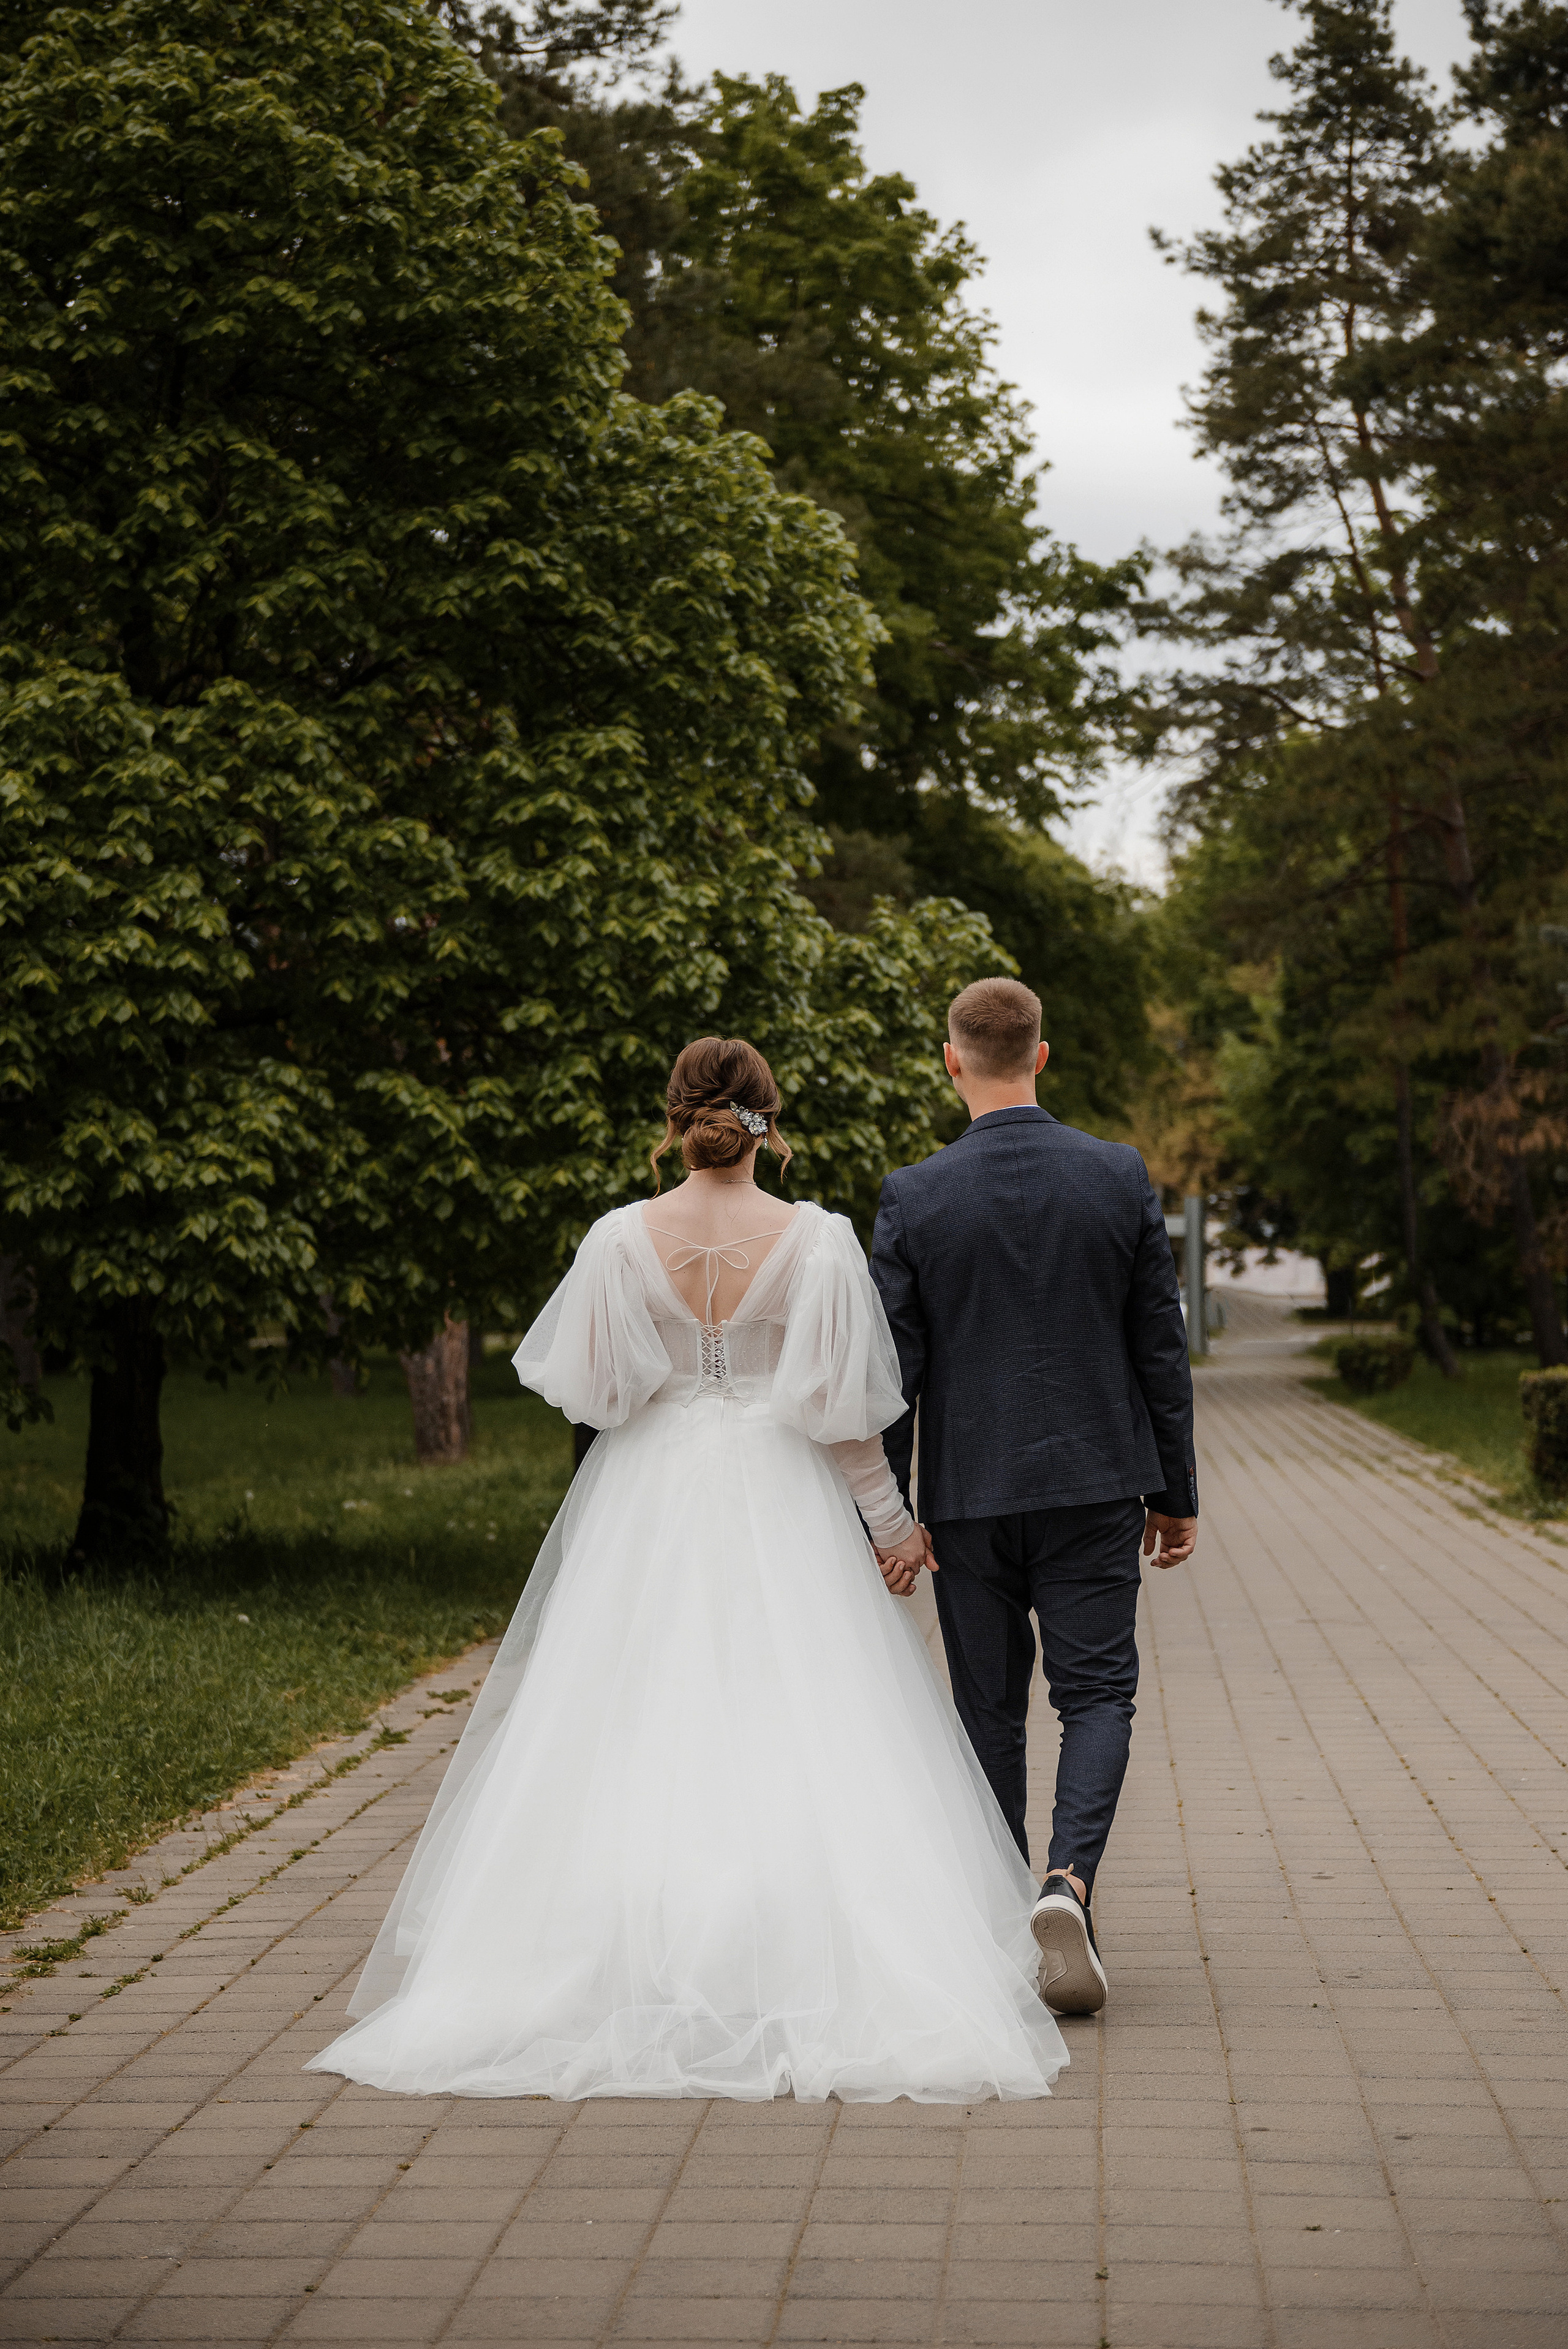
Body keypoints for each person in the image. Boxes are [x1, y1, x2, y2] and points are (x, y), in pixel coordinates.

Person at [306, 1037, 1068, 2102]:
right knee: (797, 1711)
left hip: (650, 1495)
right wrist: (893, 1525)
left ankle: (622, 1943)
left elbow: (604, 1395)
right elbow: (843, 1415)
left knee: (634, 1712)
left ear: (675, 1119)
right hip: (781, 1491)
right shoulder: (819, 1239)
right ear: (768, 1115)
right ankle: (793, 1942)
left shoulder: (621, 1239)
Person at [870, 977, 1197, 2018]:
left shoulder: (915, 1195)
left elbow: (893, 1374)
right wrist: (1175, 1490)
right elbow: (1159, 1342)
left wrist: (890, 1515)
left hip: (966, 1494)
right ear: (1041, 1056)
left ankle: (1005, 1909)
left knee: (988, 1707)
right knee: (1098, 1693)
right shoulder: (1116, 1175)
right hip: (1097, 1481)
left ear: (953, 1059)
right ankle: (1070, 1881)